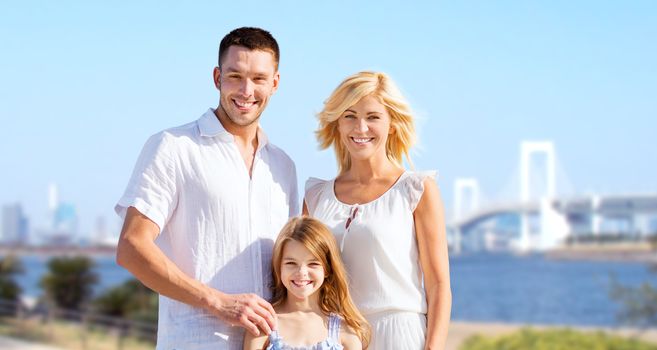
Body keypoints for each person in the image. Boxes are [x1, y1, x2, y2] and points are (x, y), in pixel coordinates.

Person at [115, 27, 298, 350]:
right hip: (194, 342)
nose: (246, 90)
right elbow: (131, 247)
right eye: (234, 76)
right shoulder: (173, 147)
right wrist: (217, 301)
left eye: (258, 78)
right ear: (217, 78)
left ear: (275, 83)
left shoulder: (283, 166)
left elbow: (291, 264)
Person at [303, 71, 451, 349]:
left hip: (399, 334)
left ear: (392, 124)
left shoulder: (417, 190)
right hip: (334, 336)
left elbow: (439, 285)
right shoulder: (315, 196)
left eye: (372, 117)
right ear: (336, 123)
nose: (360, 128)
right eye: (349, 116)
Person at [243, 217, 369, 350]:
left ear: (327, 269)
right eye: (291, 263)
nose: (302, 272)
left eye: (313, 263)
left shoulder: (346, 331)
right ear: (279, 267)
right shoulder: (263, 325)